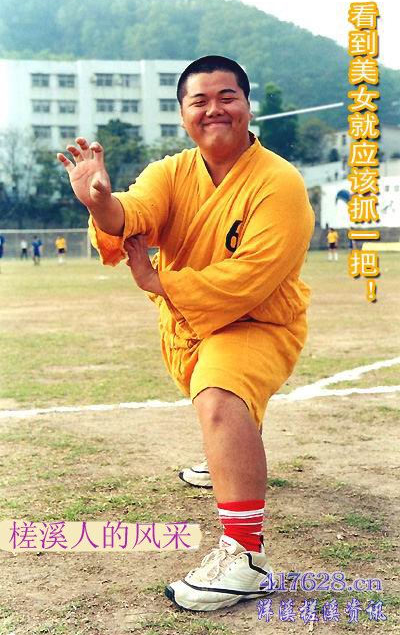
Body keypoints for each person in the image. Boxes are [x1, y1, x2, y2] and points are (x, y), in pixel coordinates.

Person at [57, 55, 314, 612]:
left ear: (248, 107)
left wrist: (159, 280)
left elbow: (252, 277)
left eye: (227, 97)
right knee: (222, 405)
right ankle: (227, 457)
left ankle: (245, 555)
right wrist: (101, 202)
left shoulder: (280, 183)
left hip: (257, 321)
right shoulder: (170, 172)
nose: (214, 109)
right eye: (200, 100)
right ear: (183, 115)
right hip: (189, 323)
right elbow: (135, 212)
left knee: (220, 395)